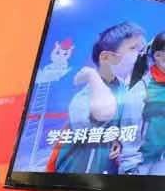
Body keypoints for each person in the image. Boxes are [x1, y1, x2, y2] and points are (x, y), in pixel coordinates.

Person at [54, 22, 145, 174]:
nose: (140, 54)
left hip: (105, 175)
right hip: (74, 175)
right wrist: (92, 76)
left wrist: (117, 140)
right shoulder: (85, 95)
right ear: (106, 57)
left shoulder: (124, 90)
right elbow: (102, 115)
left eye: (141, 50)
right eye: (133, 48)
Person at [124, 31, 165, 175]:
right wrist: (130, 168)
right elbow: (129, 132)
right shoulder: (142, 90)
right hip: (144, 166)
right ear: (158, 56)